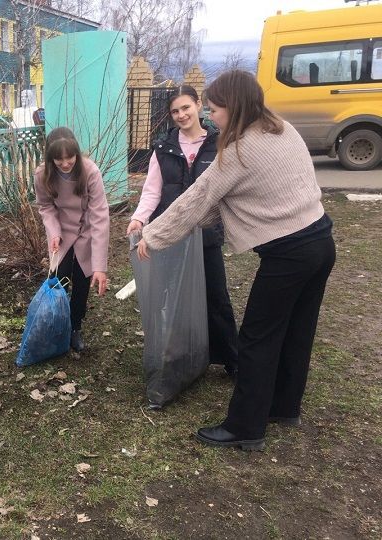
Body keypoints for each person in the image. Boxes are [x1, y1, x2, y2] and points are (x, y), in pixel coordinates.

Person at [137, 70, 335, 450]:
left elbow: (197, 201)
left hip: (289, 255)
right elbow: (229, 202)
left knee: (257, 339)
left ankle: (245, 427)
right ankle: (283, 405)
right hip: (320, 242)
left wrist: (152, 235)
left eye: (215, 109)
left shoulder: (238, 152)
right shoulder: (281, 129)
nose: (211, 116)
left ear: (235, 107)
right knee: (296, 330)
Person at [127, 85, 238, 377]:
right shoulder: (163, 149)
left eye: (186, 107)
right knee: (172, 297)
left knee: (216, 296)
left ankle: (231, 358)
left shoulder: (219, 142)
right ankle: (177, 357)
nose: (181, 115)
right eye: (175, 111)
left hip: (206, 233)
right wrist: (140, 219)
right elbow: (152, 191)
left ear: (198, 105)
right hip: (171, 235)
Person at [34, 127, 110, 352]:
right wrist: (54, 231)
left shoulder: (90, 171)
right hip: (62, 233)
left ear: (77, 153)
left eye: (70, 157)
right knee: (59, 280)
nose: (66, 163)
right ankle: (56, 325)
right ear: (50, 158)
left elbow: (100, 216)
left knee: (82, 282)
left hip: (87, 231)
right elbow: (45, 206)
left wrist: (99, 267)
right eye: (59, 159)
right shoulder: (42, 174)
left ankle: (75, 327)